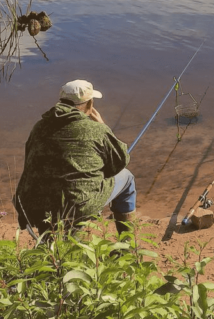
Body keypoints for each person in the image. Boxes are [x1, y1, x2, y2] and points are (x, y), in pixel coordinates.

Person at [14, 79, 137, 236]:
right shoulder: (96, 129)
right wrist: (103, 126)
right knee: (127, 178)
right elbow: (120, 162)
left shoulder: (39, 126)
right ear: (89, 103)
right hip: (76, 205)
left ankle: (53, 238)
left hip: (32, 203)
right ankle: (127, 245)